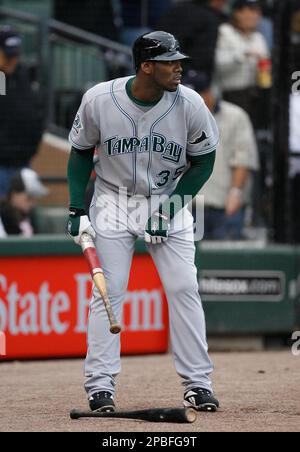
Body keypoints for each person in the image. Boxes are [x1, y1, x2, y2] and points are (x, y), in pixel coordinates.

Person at [67, 31, 220, 413]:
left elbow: (204, 161)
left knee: (184, 287)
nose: (179, 67)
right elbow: (80, 151)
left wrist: (169, 210)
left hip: (168, 199)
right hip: (113, 201)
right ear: (146, 66)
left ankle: (198, 384)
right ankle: (100, 386)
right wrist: (75, 207)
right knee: (109, 292)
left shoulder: (190, 103)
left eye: (178, 59)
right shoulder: (100, 99)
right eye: (170, 61)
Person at [183, 70, 259, 239]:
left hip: (223, 206)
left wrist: (235, 193)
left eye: (196, 95)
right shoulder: (180, 117)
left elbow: (243, 159)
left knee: (224, 262)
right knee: (191, 262)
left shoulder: (235, 116)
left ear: (208, 93)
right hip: (189, 207)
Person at [0, 26, 44, 197]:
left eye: (15, 55)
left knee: (23, 216)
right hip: (2, 164)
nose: (13, 60)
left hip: (24, 160)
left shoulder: (23, 75)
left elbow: (33, 112)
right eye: (7, 55)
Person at [214, 0, 270, 128]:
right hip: (230, 94)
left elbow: (265, 62)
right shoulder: (224, 32)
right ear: (237, 13)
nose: (255, 16)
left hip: (255, 93)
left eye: (257, 12)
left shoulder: (258, 37)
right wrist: (242, 54)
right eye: (249, 11)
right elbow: (217, 62)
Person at [157, 0, 229, 83]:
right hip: (190, 74)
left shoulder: (174, 10)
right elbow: (204, 55)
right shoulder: (207, 18)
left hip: (168, 69)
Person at [0, 168, 48, 238]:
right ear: (14, 195)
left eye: (35, 198)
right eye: (29, 198)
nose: (32, 203)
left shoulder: (30, 216)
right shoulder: (3, 215)